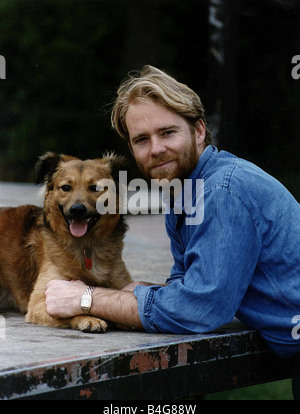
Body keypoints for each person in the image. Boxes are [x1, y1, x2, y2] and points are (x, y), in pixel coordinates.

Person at [45, 65, 300, 397]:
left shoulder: (220, 193)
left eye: (167, 133)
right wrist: (131, 295)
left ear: (198, 131)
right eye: (141, 139)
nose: (155, 149)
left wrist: (86, 298)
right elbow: (185, 288)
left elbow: (199, 309)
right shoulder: (184, 193)